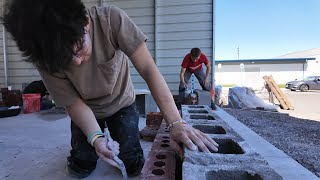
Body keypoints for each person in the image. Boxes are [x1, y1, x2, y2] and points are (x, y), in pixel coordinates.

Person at [2, 0, 219, 178]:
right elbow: (73, 103)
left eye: (79, 48)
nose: (77, 62)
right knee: (82, 165)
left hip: (121, 103)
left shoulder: (110, 20)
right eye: (65, 60)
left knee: (133, 161)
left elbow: (148, 70)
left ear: (86, 22)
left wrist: (175, 122)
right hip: (86, 108)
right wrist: (96, 138)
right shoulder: (46, 57)